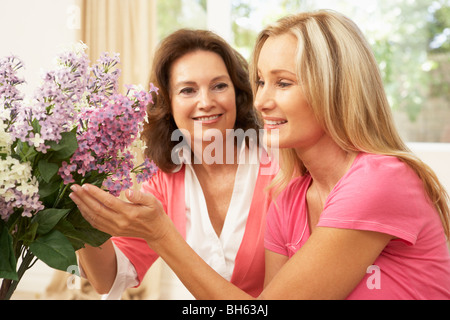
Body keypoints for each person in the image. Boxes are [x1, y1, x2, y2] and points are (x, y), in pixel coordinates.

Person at [70, 10, 450, 299]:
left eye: (282, 83)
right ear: (168, 105)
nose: (262, 100)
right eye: (261, 82)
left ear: (335, 88)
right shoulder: (290, 197)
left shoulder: (376, 180)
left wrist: (162, 235)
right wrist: (71, 201)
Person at [74, 29, 278, 299]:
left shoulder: (278, 162)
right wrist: (75, 205)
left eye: (219, 86)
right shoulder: (164, 179)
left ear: (238, 93)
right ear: (168, 104)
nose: (205, 102)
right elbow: (109, 278)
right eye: (187, 90)